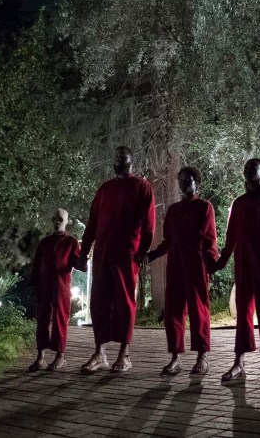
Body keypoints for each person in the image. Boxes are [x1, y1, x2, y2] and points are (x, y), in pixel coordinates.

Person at [78, 146, 156, 373]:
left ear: (132, 160)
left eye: (122, 157)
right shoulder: (105, 189)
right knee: (99, 300)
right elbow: (92, 223)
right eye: (115, 157)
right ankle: (100, 352)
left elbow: (148, 224)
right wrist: (84, 252)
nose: (118, 160)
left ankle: (125, 353)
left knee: (124, 301)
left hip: (126, 253)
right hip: (102, 252)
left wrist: (142, 251)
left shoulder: (141, 186)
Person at [215, 158, 260, 382]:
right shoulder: (239, 202)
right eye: (245, 167)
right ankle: (239, 362)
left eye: (253, 167)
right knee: (243, 311)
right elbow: (230, 237)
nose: (248, 170)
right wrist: (220, 262)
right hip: (243, 263)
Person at [144, 167, 218, 375]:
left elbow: (210, 240)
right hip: (175, 266)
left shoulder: (205, 207)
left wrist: (211, 263)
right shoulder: (174, 210)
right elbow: (168, 241)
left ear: (197, 182)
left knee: (198, 310)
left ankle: (202, 356)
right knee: (173, 312)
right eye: (182, 180)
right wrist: (152, 255)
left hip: (196, 265)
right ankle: (175, 357)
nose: (185, 183)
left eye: (189, 179)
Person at [28, 208, 81, 372]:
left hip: (61, 287)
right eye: (54, 219)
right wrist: (34, 285)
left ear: (66, 221)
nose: (56, 222)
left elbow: (79, 264)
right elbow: (36, 265)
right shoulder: (44, 243)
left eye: (60, 219)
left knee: (60, 319)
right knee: (42, 320)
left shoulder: (71, 242)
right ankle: (40, 357)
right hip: (44, 286)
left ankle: (60, 356)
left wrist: (84, 256)